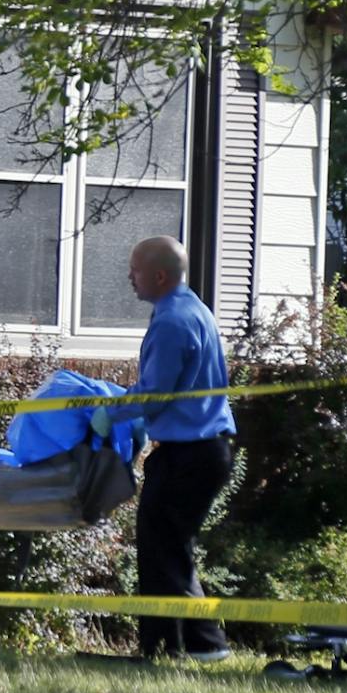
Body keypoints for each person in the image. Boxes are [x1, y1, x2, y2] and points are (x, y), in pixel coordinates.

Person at [92, 234, 237, 662]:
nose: (129, 277)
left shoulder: (173, 320)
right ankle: (188, 645)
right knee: (169, 545)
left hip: (190, 453)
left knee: (162, 548)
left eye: (135, 269)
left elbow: (156, 393)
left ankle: (181, 646)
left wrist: (111, 413)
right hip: (200, 448)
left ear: (158, 275)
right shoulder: (193, 308)